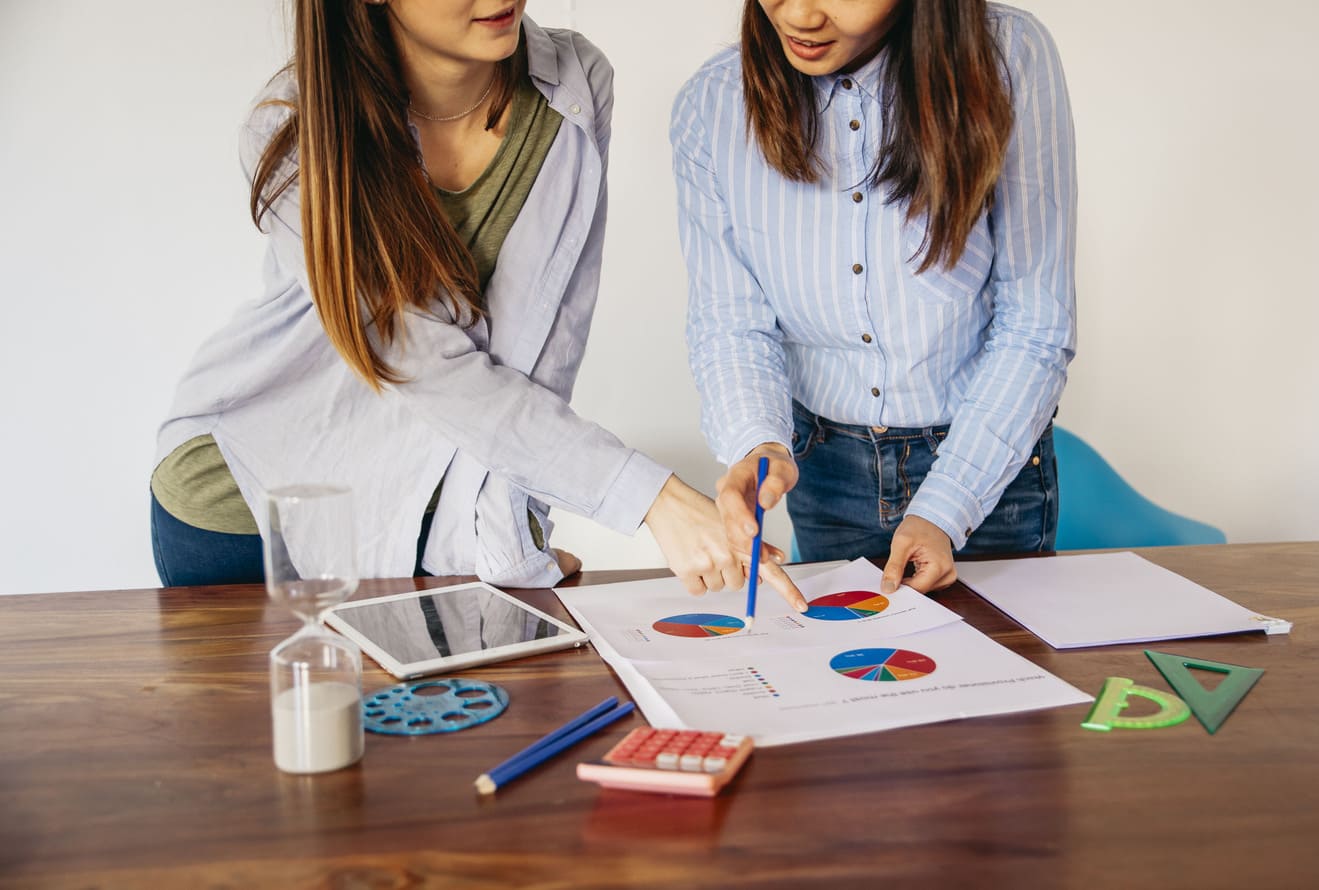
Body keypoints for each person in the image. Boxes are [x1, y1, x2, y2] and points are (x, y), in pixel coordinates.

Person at [150, 0, 804, 610]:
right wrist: (656, 500)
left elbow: (547, 352)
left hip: (425, 532)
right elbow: (423, 367)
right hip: (248, 515)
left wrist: (511, 541)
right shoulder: (297, 127)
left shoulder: (573, 88)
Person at [671, 0, 1076, 595]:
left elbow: (1036, 322)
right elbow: (732, 321)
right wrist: (755, 444)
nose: (801, 16)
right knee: (853, 674)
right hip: (826, 466)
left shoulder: (1008, 56)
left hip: (984, 463)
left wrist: (946, 505)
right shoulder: (710, 104)